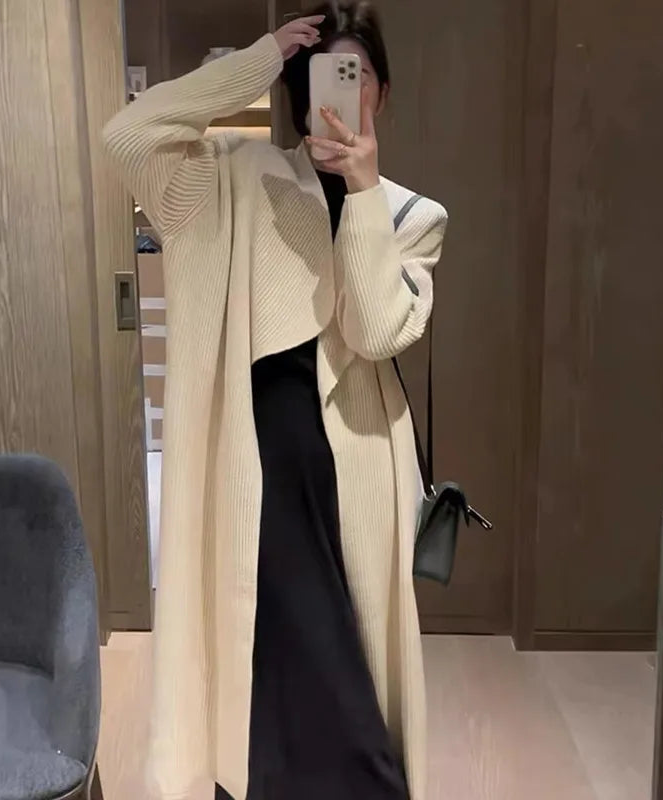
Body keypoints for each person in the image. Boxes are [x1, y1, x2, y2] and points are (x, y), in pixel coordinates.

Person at [103, 3, 447, 799]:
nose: (342, 92)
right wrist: (258, 59)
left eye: (357, 76)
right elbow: (129, 136)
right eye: (323, 76)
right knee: (264, 658)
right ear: (298, 90)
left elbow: (375, 330)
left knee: (347, 662)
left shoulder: (411, 215)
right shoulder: (234, 176)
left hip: (355, 468)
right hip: (254, 462)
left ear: (382, 93)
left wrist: (363, 188)